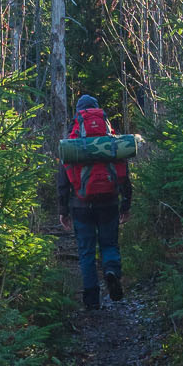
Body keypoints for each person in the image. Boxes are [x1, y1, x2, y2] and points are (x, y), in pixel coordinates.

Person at [58, 93, 132, 310]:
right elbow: (124, 173)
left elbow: (63, 180)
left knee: (86, 251)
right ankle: (111, 271)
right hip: (109, 202)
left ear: (78, 114)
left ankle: (92, 300)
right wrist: (126, 204)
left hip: (81, 205)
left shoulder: (72, 143)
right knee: (109, 244)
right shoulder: (111, 140)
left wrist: (63, 210)